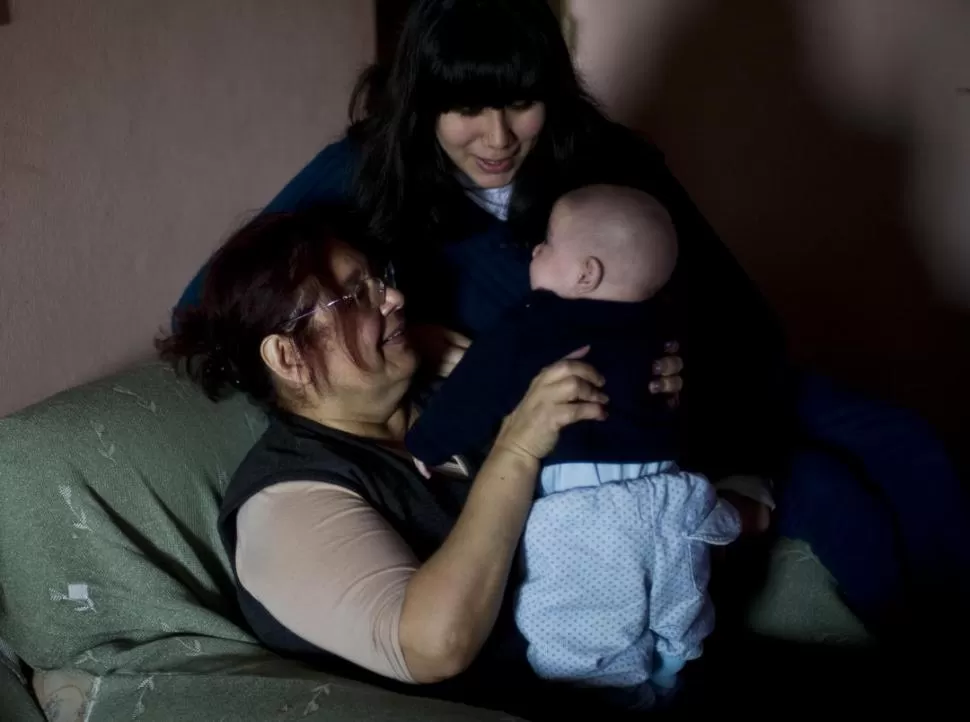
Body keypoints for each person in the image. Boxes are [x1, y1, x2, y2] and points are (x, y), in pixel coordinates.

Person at [177, 0, 970, 655]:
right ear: (422, 105)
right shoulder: (360, 173)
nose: (496, 138)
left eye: (518, 102)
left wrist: (679, 359)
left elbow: (736, 309)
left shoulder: (610, 160)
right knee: (834, 497)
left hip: (707, 381)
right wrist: (413, 333)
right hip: (608, 441)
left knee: (907, 443)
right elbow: (212, 306)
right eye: (463, 108)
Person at [160, 207, 652, 719]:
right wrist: (517, 449)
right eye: (356, 296)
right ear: (287, 358)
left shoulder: (447, 394)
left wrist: (639, 384)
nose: (394, 298)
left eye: (381, 280)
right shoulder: (284, 502)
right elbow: (433, 645)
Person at [407, 184, 772, 709]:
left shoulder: (536, 320)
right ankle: (674, 667)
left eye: (548, 243)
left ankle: (619, 699)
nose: (537, 251)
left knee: (580, 640)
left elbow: (476, 386)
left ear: (586, 273)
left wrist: (426, 440)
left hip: (588, 513)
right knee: (678, 604)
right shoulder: (664, 325)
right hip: (674, 497)